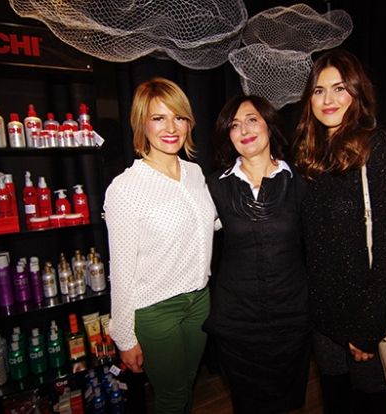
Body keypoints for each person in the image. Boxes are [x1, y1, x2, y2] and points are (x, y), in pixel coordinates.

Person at [294, 49, 386, 414]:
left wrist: (369, 328)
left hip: (366, 315)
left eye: (339, 88)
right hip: (325, 317)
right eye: (318, 90)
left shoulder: (378, 152)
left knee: (369, 404)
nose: (327, 99)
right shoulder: (312, 156)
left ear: (357, 93)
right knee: (336, 401)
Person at [103, 77, 216, 414]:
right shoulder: (126, 188)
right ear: (142, 123)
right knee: (171, 396)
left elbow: (205, 223)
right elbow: (121, 270)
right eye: (158, 118)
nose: (171, 128)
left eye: (179, 117)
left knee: (187, 383)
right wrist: (125, 337)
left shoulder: (195, 173)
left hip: (199, 301)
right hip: (156, 310)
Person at [204, 95, 311, 414]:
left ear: (269, 125)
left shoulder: (301, 181)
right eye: (234, 125)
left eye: (252, 120)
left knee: (288, 402)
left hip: (291, 317)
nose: (244, 130)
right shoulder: (214, 187)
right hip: (237, 322)